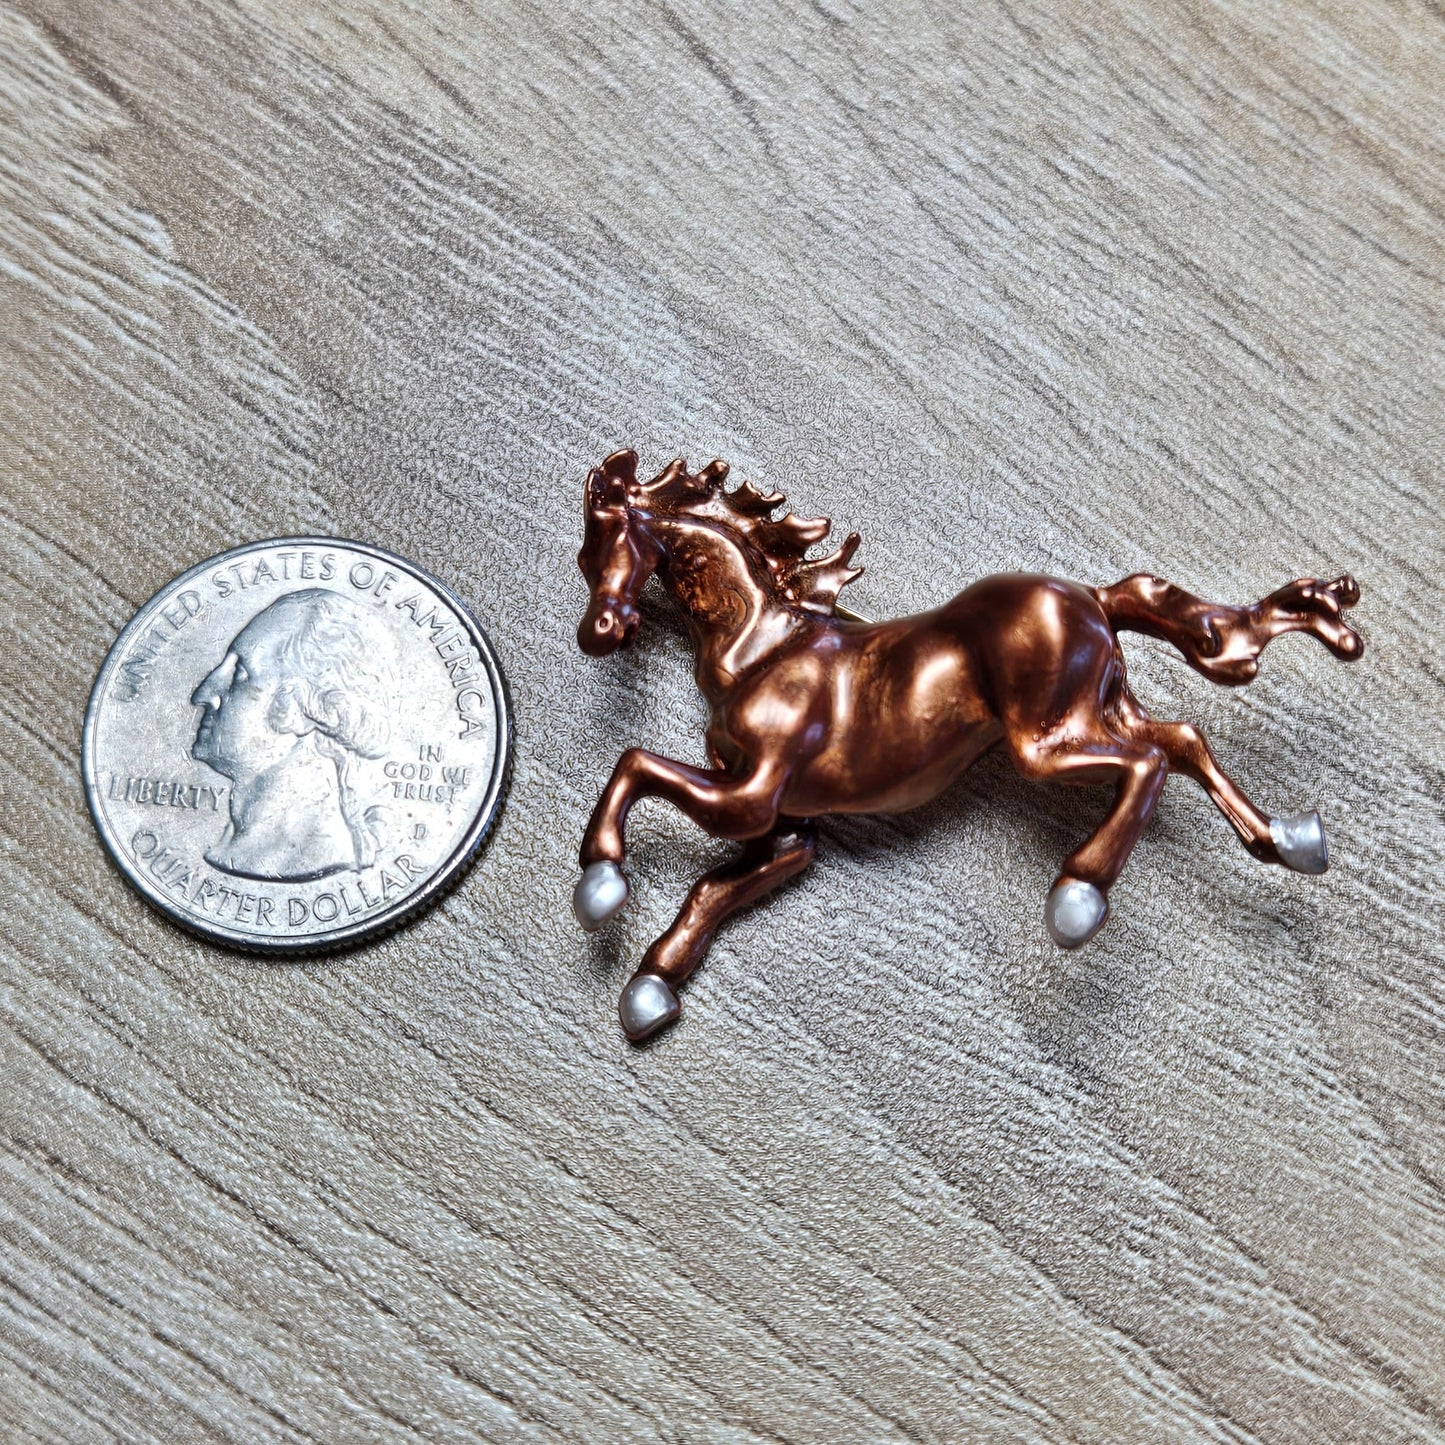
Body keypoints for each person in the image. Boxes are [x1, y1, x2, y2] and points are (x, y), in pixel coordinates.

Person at [191, 588, 400, 881]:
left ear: (303, 709)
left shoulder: (313, 858)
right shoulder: (227, 847)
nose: (203, 694)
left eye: (240, 674)